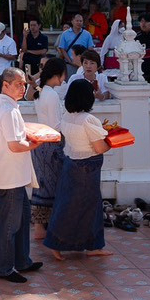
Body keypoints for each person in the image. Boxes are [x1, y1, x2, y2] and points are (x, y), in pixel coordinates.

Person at [47, 78, 112, 259]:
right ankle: (87, 245)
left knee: (67, 204)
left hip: (71, 163)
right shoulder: (88, 119)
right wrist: (112, 142)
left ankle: (66, 243)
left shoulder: (67, 116)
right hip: (87, 167)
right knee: (88, 207)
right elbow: (99, 147)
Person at [0, 67, 39, 281]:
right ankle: (5, 268)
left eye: (24, 84)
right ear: (5, 85)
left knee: (23, 216)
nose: (22, 88)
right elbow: (16, 146)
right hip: (11, 174)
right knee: (10, 223)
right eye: (18, 84)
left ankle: (22, 260)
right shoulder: (7, 110)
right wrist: (35, 143)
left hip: (10, 172)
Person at [28, 58, 66, 244]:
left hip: (40, 142)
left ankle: (39, 226)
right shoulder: (50, 94)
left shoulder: (42, 92)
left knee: (42, 184)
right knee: (52, 185)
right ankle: (45, 226)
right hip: (51, 142)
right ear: (57, 74)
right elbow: (56, 124)